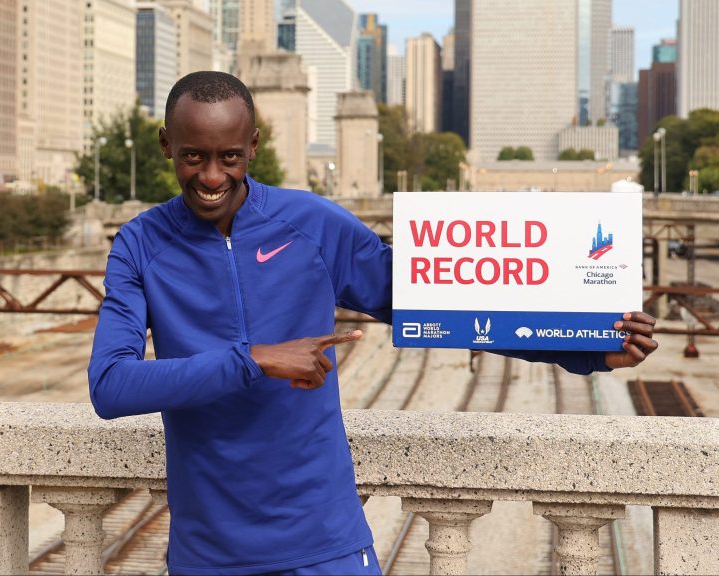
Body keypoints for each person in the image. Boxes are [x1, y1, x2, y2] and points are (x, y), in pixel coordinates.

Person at [88, 71, 657, 575]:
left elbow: (441, 301)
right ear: (166, 145)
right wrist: (255, 359)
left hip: (326, 541)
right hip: (209, 553)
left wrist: (588, 344)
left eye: (229, 156)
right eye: (193, 156)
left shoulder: (310, 223)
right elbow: (110, 385)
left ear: (254, 146)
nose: (211, 175)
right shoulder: (139, 245)